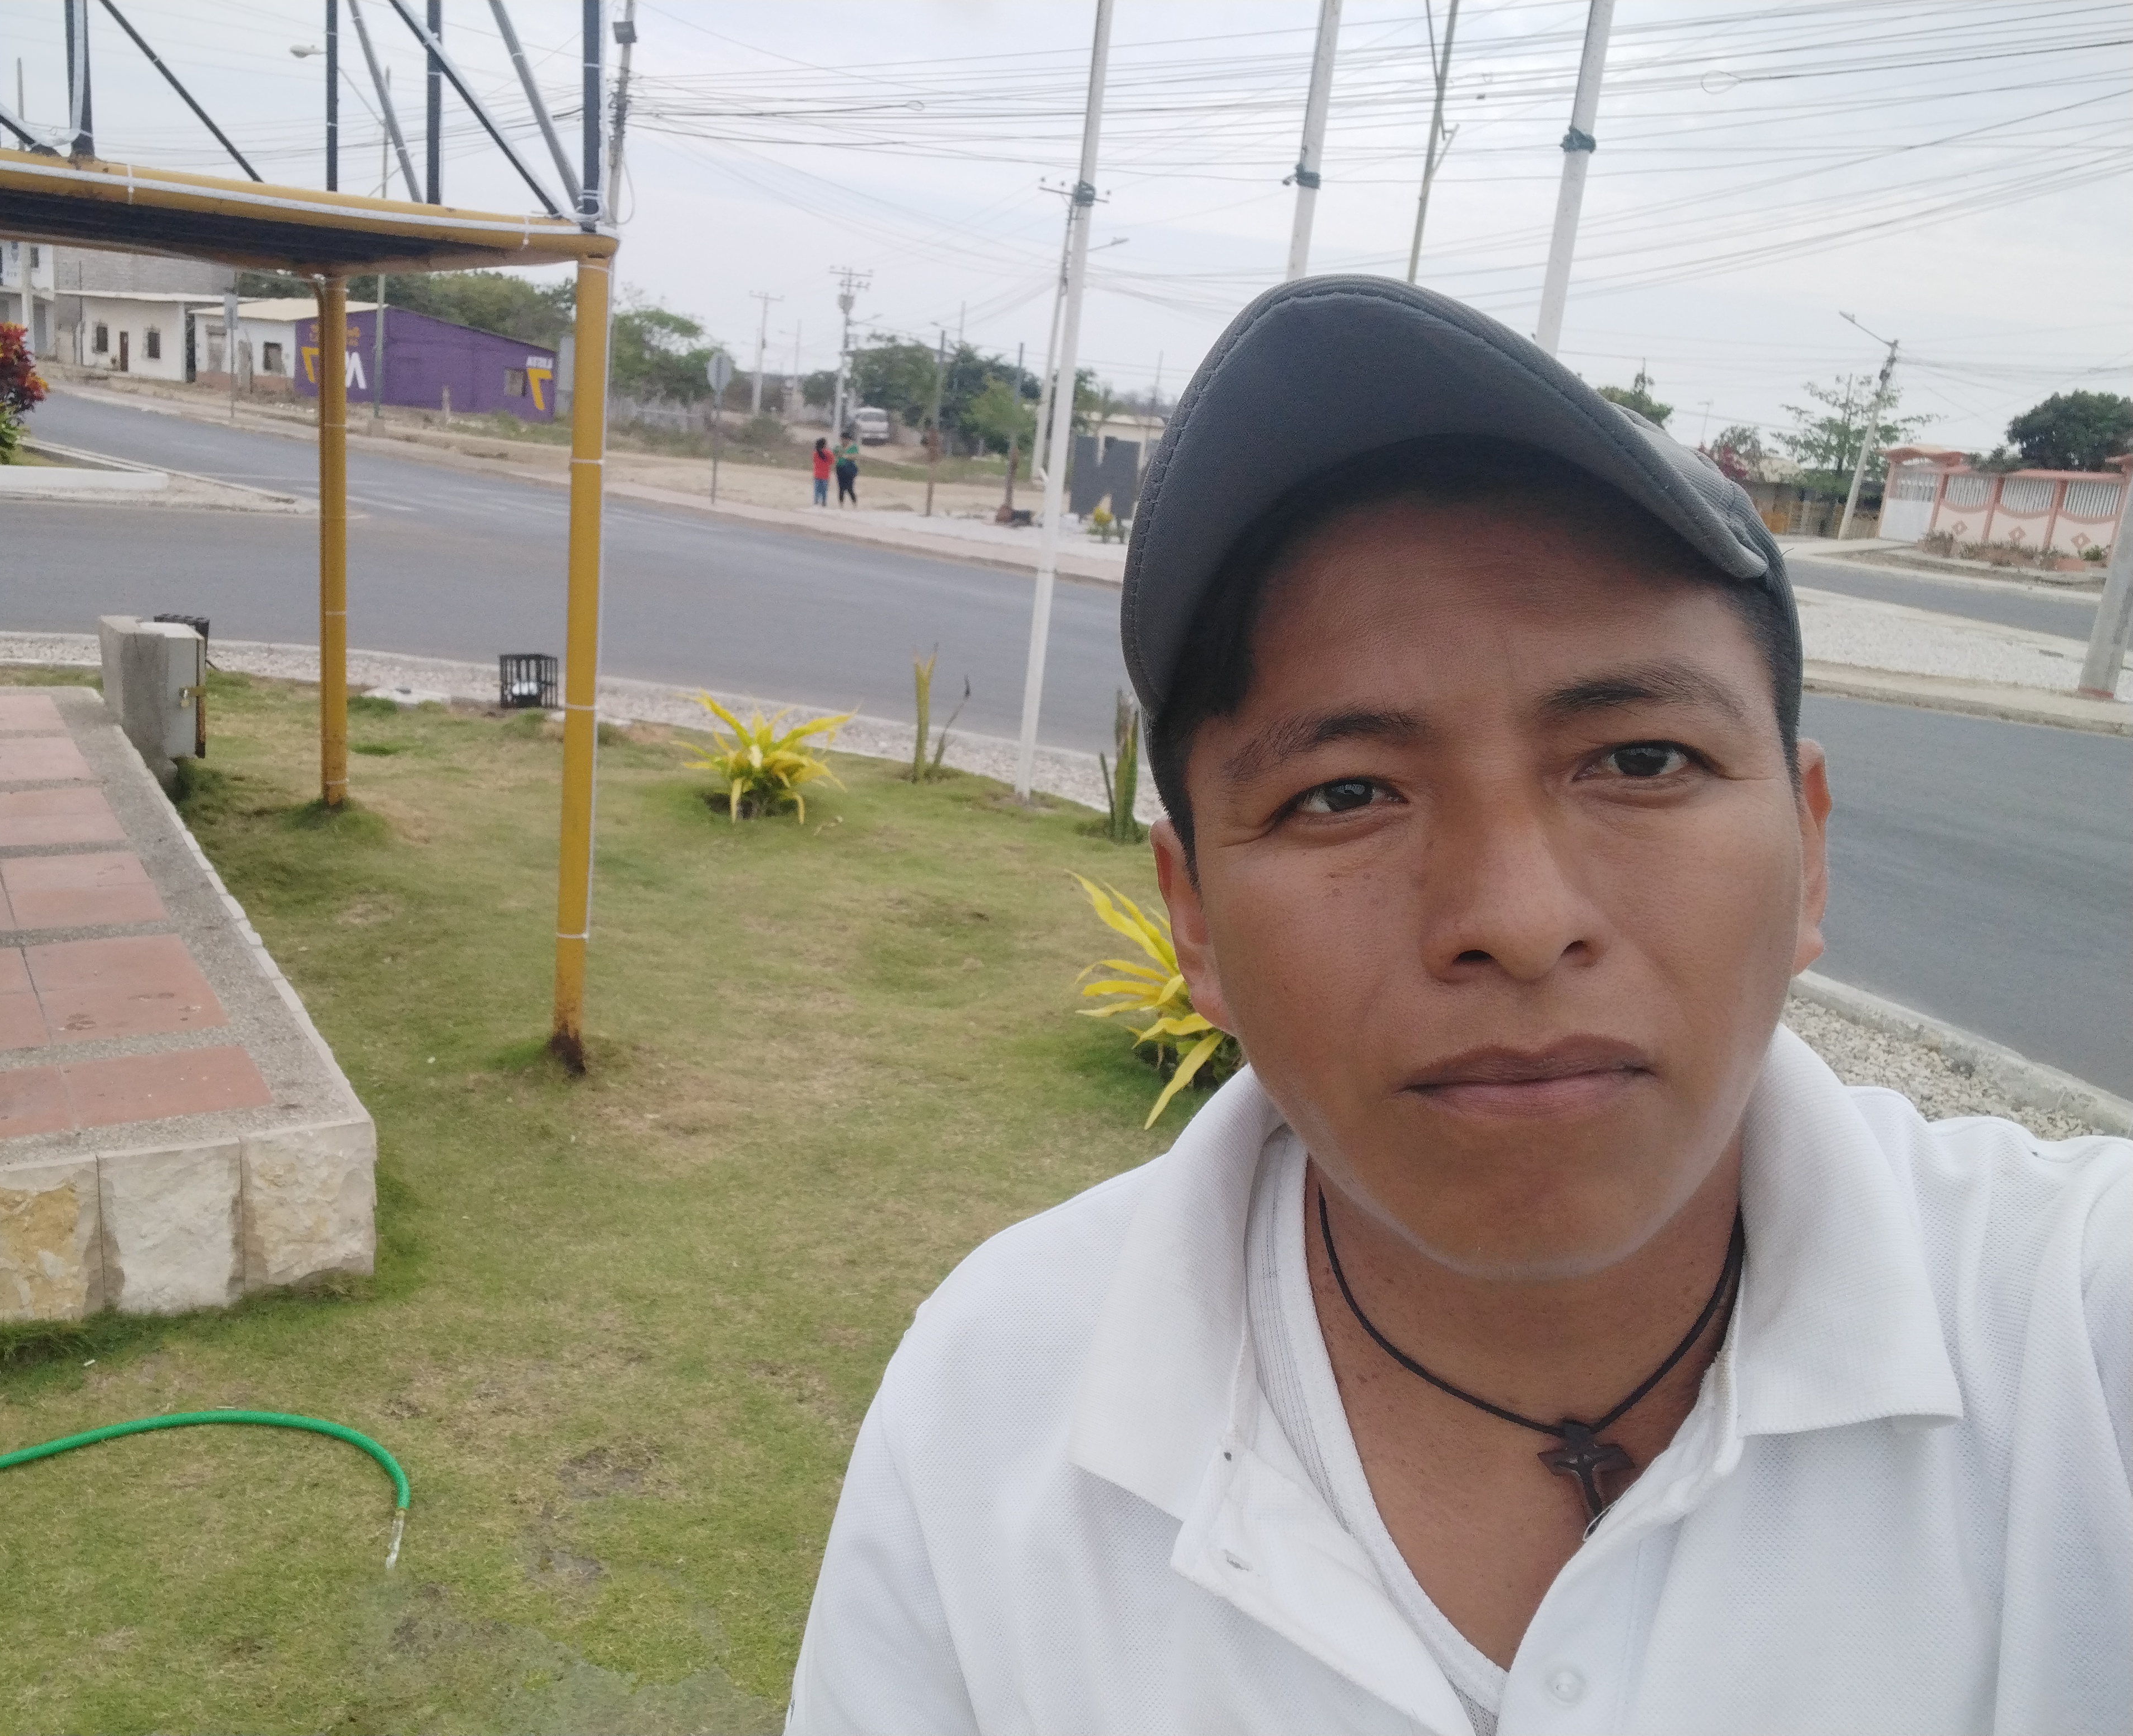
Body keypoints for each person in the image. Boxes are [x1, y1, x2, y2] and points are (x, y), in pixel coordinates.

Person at [788, 278, 2130, 1735]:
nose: (1518, 919)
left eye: (1641, 761)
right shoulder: (989, 1401)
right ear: (1197, 920)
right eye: (1345, 793)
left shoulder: (2075, 1339)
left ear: (1806, 852)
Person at [835, 432, 861, 507]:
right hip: (840, 468)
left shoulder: (853, 447)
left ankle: (854, 503)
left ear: (847, 440)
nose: (842, 441)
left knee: (850, 488)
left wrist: (846, 456)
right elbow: (834, 454)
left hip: (850, 469)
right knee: (841, 488)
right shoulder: (838, 447)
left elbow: (856, 456)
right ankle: (841, 505)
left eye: (843, 439)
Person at [811, 437, 832, 507]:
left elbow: (814, 461)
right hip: (825, 475)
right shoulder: (828, 453)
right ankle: (824, 503)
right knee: (824, 491)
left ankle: (816, 503)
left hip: (817, 474)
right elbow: (832, 462)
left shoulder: (815, 453)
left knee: (817, 490)